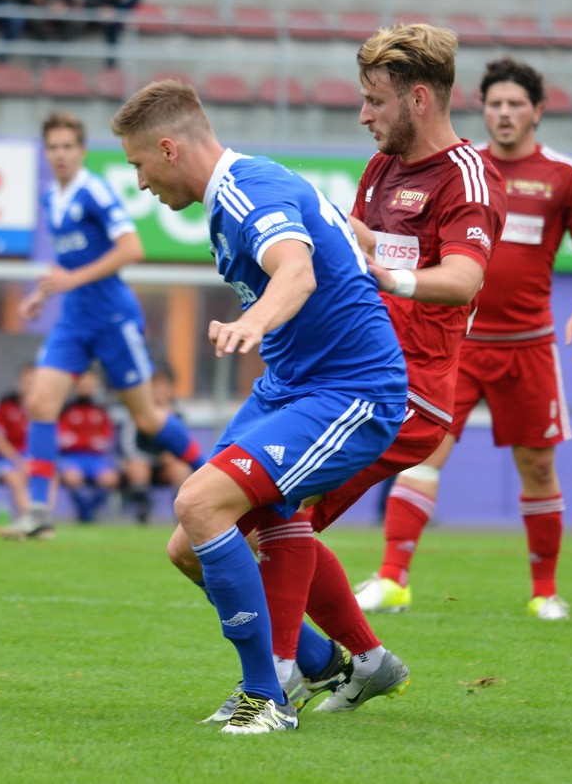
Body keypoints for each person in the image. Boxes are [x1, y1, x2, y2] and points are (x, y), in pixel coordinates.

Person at [164, 23, 507, 722]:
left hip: (403, 391)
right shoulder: (381, 169)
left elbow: (465, 278)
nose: (363, 115)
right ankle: (357, 660)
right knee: (209, 535)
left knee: (272, 513)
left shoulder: (468, 176)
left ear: (418, 98)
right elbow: (356, 245)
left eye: (375, 101)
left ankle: (273, 683)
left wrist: (388, 272)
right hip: (335, 377)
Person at [112, 79, 410, 734]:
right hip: (291, 386)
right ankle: (329, 661)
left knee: (201, 504)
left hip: (350, 391)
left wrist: (253, 322)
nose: (140, 182)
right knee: (188, 545)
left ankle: (267, 694)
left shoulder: (248, 189)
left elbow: (296, 271)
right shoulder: (240, 191)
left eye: (139, 165)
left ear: (168, 149)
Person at [354, 57, 572, 621]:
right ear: (483, 109)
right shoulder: (458, 169)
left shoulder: (565, 176)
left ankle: (545, 592)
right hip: (458, 342)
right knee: (423, 452)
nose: (504, 113)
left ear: (537, 112)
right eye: (495, 103)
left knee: (537, 466)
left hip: (529, 345)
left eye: (516, 104)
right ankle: (392, 579)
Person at [1, 111, 205, 541]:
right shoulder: (51, 198)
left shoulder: (93, 191)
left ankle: (213, 476)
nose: (60, 154)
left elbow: (132, 249)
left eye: (67, 146)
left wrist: (70, 280)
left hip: (113, 318)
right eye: (52, 147)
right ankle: (39, 512)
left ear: (81, 151)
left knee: (147, 418)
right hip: (75, 318)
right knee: (40, 403)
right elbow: (69, 263)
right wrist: (42, 294)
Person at [118, 366, 192, 524]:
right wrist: (148, 459)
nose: (159, 391)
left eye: (163, 387)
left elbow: (186, 444)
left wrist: (173, 456)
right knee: (137, 468)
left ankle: (181, 513)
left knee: (180, 469)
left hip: (166, 466)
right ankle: (142, 510)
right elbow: (127, 445)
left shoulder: (177, 415)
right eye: (155, 387)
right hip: (143, 461)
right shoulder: (137, 413)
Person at [56, 367, 120, 523]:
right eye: (83, 382)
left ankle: (92, 508)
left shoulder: (101, 410)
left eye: (90, 383)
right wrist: (88, 440)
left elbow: (105, 440)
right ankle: (83, 510)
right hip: (72, 457)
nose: (86, 386)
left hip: (96, 458)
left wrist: (79, 440)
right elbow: (63, 440)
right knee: (72, 477)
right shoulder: (66, 409)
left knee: (110, 478)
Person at [0, 363, 35, 531]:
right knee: (16, 478)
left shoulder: (44, 410)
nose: (29, 386)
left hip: (32, 458)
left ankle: (43, 517)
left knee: (50, 475)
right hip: (9, 459)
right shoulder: (6, 407)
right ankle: (29, 518)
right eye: (26, 381)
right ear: (19, 383)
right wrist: (19, 462)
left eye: (33, 382)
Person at [83, 0, 139, 67]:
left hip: (119, 5)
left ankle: (111, 63)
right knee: (109, 17)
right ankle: (111, 63)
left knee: (113, 17)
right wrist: (101, 6)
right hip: (102, 6)